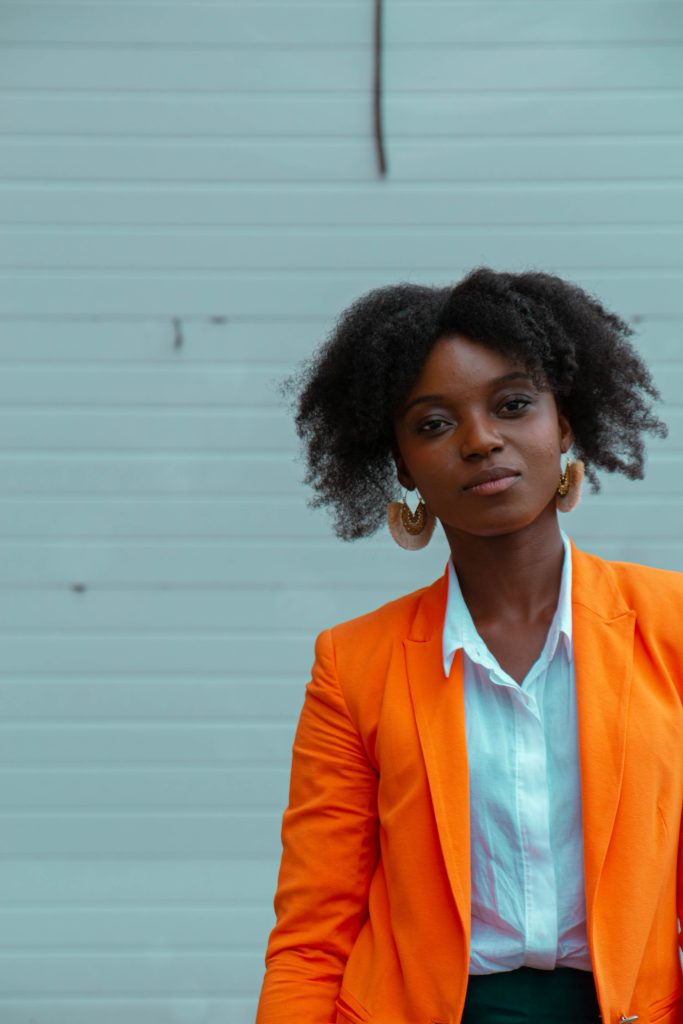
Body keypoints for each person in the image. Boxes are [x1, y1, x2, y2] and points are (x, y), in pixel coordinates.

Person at [254, 268, 683, 1024]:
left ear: (565, 425)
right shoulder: (352, 666)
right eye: (432, 423)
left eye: (513, 405)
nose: (481, 440)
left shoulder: (671, 624)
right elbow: (311, 939)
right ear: (401, 466)